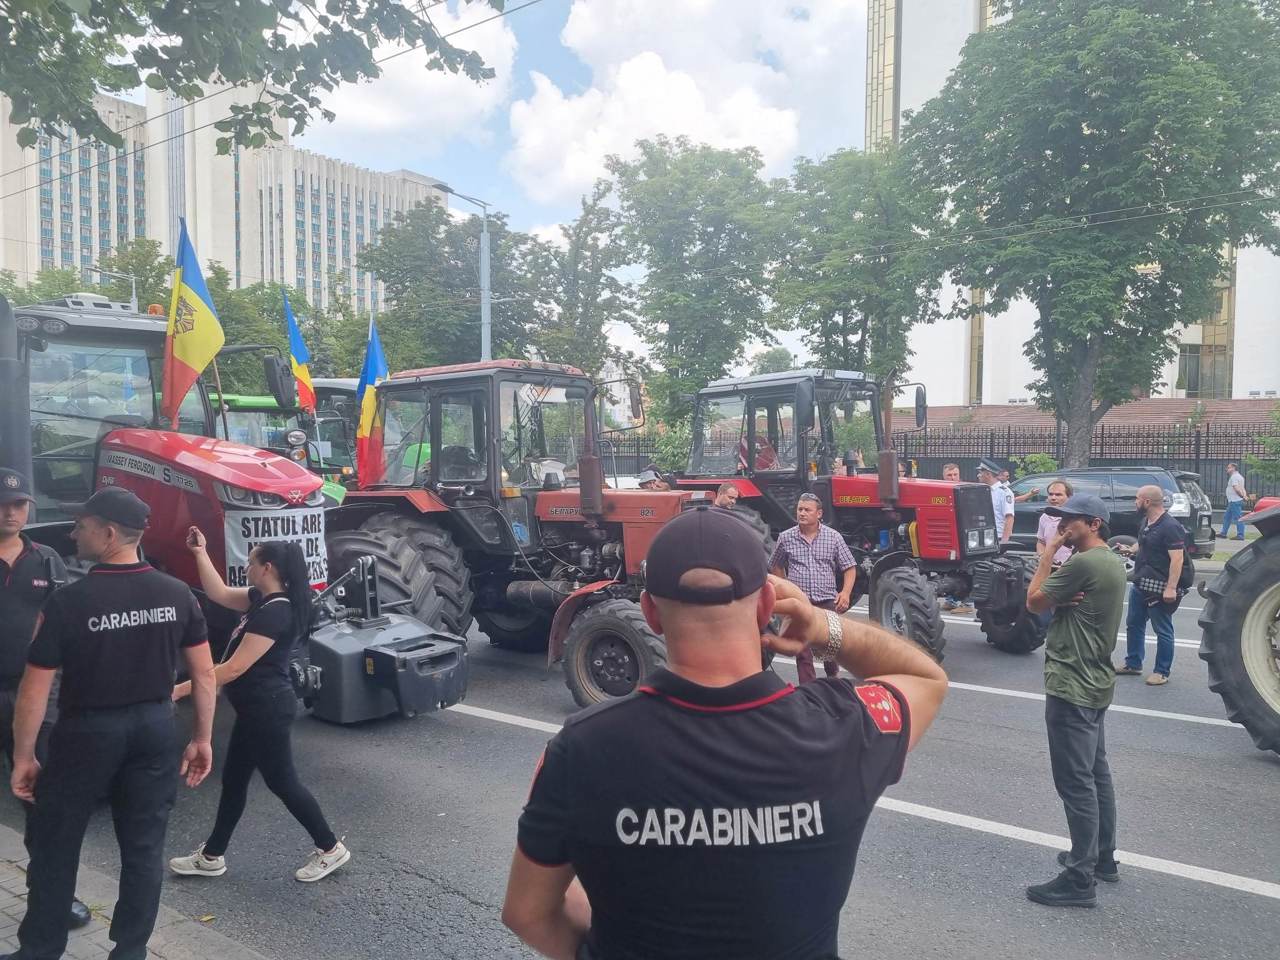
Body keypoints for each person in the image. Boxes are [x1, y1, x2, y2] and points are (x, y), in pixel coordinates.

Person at [501, 505, 948, 960]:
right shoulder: (841, 725)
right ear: (767, 605)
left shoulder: (581, 748)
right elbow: (926, 678)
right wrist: (819, 624)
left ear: (650, 613)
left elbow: (527, 913)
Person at [3, 487, 216, 960]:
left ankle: (40, 950)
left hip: (86, 734)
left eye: (82, 526)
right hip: (154, 729)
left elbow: (34, 690)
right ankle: (131, 951)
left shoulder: (69, 601)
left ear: (110, 533)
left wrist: (24, 756)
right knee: (143, 849)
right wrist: (201, 738)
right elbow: (204, 674)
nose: (73, 534)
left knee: (56, 844)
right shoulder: (177, 593)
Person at [169, 529, 350, 883]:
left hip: (268, 708)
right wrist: (200, 552)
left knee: (282, 781)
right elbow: (219, 593)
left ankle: (330, 848)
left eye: (251, 562)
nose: (246, 567)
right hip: (255, 709)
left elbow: (234, 668)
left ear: (267, 568)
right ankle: (212, 856)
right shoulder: (262, 600)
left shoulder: (276, 612)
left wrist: (180, 689)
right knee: (234, 781)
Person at [0, 469, 92, 932]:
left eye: (19, 505)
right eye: (3, 505)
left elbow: (69, 626)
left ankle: (53, 895)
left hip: (33, 696)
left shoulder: (47, 559)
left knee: (44, 801)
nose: (11, 513)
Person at [1025, 492, 1127, 907]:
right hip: (1096, 680)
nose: (1063, 526)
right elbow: (1059, 597)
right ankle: (1103, 857)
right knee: (1097, 774)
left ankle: (1079, 877)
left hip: (1072, 682)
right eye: (1059, 519)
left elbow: (1034, 601)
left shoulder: (1082, 563)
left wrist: (1049, 552)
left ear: (1095, 524)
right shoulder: (1110, 561)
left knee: (1075, 782)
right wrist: (1061, 591)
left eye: (1071, 520)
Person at [769, 494, 856, 683]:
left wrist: (845, 593)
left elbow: (849, 567)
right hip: (800, 603)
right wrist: (785, 588)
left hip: (827, 602)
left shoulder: (833, 537)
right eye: (800, 509)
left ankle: (833, 681)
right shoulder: (786, 537)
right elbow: (776, 565)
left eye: (807, 510)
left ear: (819, 514)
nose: (802, 513)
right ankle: (808, 689)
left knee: (830, 646)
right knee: (802, 650)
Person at [1115, 485, 1185, 686]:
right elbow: (1143, 542)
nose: (1134, 502)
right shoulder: (1147, 521)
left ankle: (1161, 671)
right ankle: (1133, 664)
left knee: (1162, 629)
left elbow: (1177, 559)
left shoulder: (1170, 526)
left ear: (1146, 502)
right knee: (1134, 624)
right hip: (1141, 583)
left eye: (1137, 498)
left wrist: (1171, 588)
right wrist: (1131, 549)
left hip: (1160, 588)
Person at [1036, 480, 1074, 565]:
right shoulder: (1044, 517)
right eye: (1050, 494)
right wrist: (1042, 557)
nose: (1053, 498)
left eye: (1058, 495)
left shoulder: (1075, 519)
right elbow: (1041, 542)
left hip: (1070, 566)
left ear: (1069, 497)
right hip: (1050, 566)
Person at [979, 459, 1015, 543]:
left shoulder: (1004, 492)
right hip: (982, 536)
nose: (978, 475)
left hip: (997, 537)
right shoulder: (982, 490)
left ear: (988, 474)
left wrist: (1004, 542)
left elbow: (1009, 518)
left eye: (981, 473)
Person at [1220, 462, 1254, 540]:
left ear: (1233, 468)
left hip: (1234, 500)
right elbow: (1243, 488)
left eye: (1229, 467)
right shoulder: (1240, 477)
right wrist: (1244, 496)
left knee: (1238, 518)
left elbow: (1237, 489)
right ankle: (1223, 533)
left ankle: (1240, 535)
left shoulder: (1234, 477)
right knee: (1227, 517)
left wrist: (1242, 496)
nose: (1227, 469)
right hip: (1233, 501)